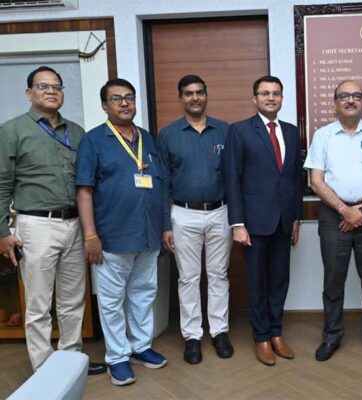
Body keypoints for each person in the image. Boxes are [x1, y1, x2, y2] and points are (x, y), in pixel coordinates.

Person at [0, 66, 105, 375]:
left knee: (73, 300)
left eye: (56, 86)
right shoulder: (12, 131)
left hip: (74, 224)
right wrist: (2, 231)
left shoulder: (78, 131)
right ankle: (45, 372)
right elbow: (2, 184)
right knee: (38, 304)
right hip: (36, 225)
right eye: (43, 86)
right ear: (29, 93)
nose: (51, 91)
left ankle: (70, 363)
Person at [76, 78, 167, 386]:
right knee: (112, 301)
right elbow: (85, 189)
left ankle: (140, 346)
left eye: (129, 97)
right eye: (117, 99)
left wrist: (163, 227)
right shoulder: (93, 140)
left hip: (147, 234)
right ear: (105, 105)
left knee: (144, 293)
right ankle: (117, 357)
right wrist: (90, 235)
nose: (125, 103)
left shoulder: (146, 138)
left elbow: (159, 184)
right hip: (112, 236)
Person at [304, 80, 362, 364]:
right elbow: (316, 181)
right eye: (344, 95)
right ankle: (331, 336)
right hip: (334, 217)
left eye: (356, 95)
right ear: (335, 103)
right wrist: (345, 210)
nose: (350, 100)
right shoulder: (322, 136)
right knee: (333, 280)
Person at [224, 75, 303, 366]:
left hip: (284, 222)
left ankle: (276, 333)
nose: (271, 98)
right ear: (254, 98)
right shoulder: (240, 131)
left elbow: (295, 178)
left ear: (282, 98)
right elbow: (232, 179)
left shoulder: (292, 132)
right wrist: (238, 223)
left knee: (280, 280)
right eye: (265, 93)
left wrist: (296, 217)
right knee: (257, 282)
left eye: (276, 93)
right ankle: (261, 337)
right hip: (253, 223)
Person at [158, 75, 233, 364]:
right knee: (188, 278)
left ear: (206, 95)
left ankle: (219, 331)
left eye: (199, 92)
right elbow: (162, 183)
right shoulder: (168, 135)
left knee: (218, 275)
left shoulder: (225, 131)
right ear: (181, 98)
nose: (195, 98)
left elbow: (234, 177)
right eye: (188, 93)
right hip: (183, 214)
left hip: (220, 212)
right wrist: (166, 225)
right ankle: (192, 336)